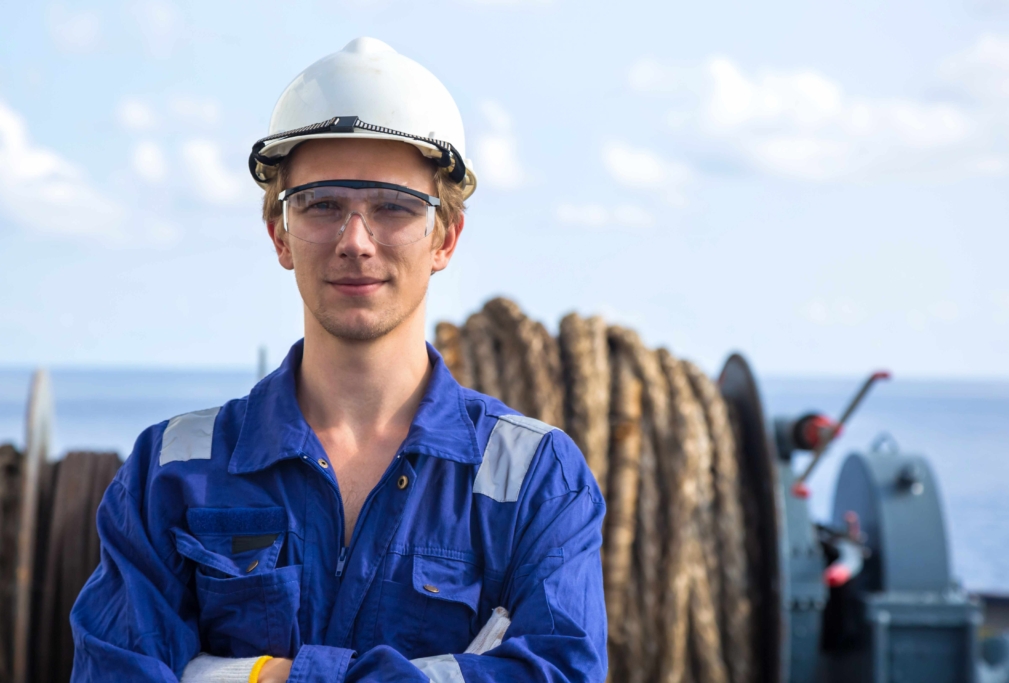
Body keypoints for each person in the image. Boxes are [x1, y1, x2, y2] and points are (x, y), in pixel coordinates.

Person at [70, 37, 607, 683]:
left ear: (446, 237)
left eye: (395, 207)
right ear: (280, 234)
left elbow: (561, 671)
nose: (356, 241)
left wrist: (256, 675)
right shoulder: (171, 472)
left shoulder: (537, 480)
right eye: (322, 205)